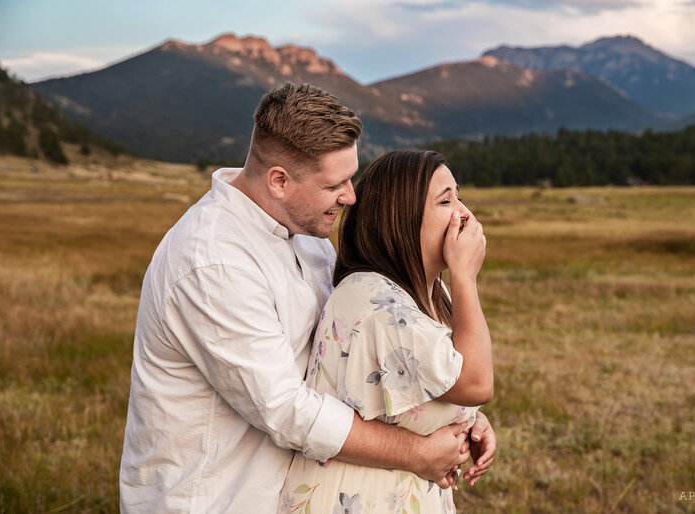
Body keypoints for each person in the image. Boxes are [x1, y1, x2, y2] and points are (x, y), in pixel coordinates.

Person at [119, 83, 495, 513]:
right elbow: (286, 409)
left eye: (350, 177)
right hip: (219, 498)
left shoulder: (309, 236)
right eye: (334, 183)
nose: (351, 196)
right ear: (279, 180)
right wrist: (417, 453)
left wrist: (457, 419)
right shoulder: (214, 262)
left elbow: (349, 363)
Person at [279, 149, 494, 513]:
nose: (464, 214)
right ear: (401, 217)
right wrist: (464, 277)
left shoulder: (424, 292)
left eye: (460, 196)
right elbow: (475, 383)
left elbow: (430, 388)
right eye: (445, 200)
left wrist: (471, 421)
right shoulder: (376, 299)